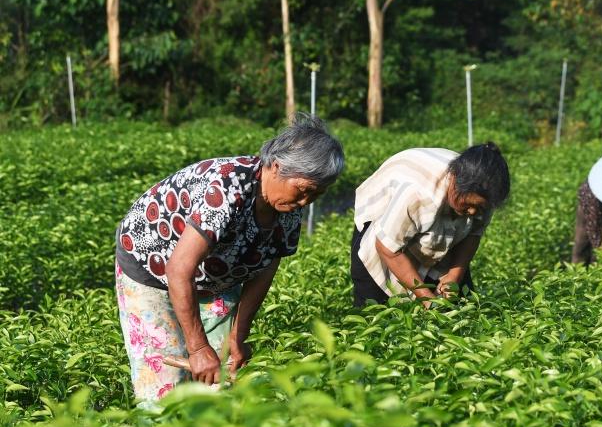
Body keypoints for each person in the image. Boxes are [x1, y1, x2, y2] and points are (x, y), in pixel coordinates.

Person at [114, 112, 345, 406]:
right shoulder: (226, 189)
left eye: (316, 195)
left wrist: (238, 334)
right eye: (303, 191)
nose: (304, 203)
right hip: (154, 267)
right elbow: (179, 269)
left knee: (220, 378)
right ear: (276, 167)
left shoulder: (288, 209)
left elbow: (265, 269)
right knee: (163, 389)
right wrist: (197, 348)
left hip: (217, 276)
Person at [351, 143, 510, 306]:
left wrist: (454, 277)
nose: (472, 212)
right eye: (469, 204)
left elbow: (473, 235)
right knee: (373, 306)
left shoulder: (487, 194)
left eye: (479, 208)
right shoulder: (419, 195)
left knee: (461, 306)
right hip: (384, 225)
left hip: (434, 227)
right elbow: (387, 248)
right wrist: (426, 298)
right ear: (455, 182)